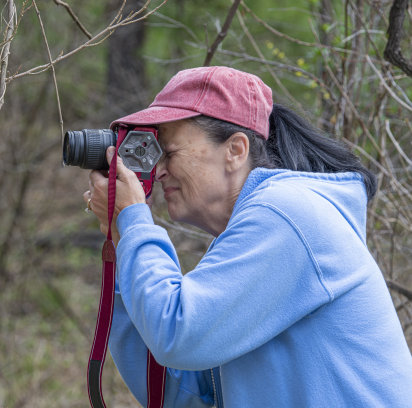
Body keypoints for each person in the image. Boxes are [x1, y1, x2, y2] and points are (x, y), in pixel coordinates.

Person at [82, 66, 412, 407]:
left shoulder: (287, 213)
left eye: (170, 151)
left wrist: (135, 223)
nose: (158, 168)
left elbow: (178, 333)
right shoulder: (251, 233)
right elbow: (182, 395)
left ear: (235, 150)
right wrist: (124, 242)